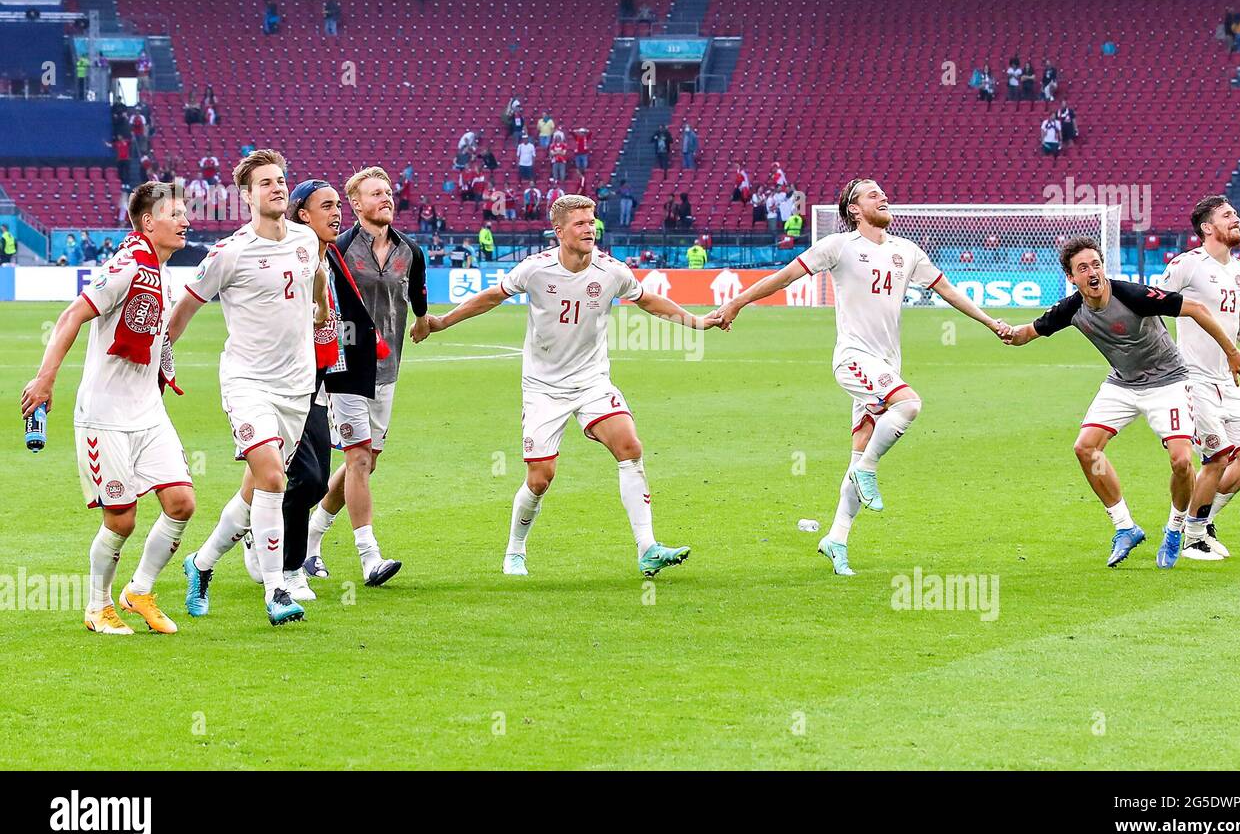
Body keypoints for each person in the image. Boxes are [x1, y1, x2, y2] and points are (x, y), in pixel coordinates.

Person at [713, 178, 1010, 577]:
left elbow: (949, 291)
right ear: (854, 209)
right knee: (909, 404)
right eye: (873, 194)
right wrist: (736, 302)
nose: (883, 197)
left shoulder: (907, 251)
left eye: (883, 192)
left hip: (886, 367)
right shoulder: (840, 247)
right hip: (853, 358)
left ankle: (836, 538)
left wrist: (991, 323)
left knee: (860, 447)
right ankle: (868, 470)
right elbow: (784, 277)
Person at [427, 195, 722, 577]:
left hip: (591, 381)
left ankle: (647, 547)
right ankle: (515, 549)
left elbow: (648, 301)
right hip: (543, 388)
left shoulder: (611, 271)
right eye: (581, 223)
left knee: (630, 446)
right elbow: (491, 298)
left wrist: (696, 322)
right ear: (560, 231)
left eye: (592, 221)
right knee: (540, 478)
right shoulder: (535, 270)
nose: (590, 229)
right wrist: (443, 322)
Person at [1001, 236, 1240, 569]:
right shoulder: (1071, 308)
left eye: (1096, 264)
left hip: (1169, 382)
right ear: (1071, 277)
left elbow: (1196, 309)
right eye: (1083, 268)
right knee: (1085, 448)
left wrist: (1232, 352)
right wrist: (1006, 331)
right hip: (1122, 383)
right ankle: (1125, 527)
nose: (1092, 272)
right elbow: (1026, 334)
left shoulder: (1133, 295)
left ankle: (1175, 530)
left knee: (1180, 461)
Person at [21, 183, 195, 635]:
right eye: (174, 214)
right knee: (122, 518)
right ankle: (98, 606)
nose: (185, 221)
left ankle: (139, 590)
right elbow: (71, 315)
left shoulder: (159, 271)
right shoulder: (125, 266)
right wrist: (45, 379)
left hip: (149, 412)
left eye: (185, 213)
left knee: (181, 503)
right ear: (147, 223)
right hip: (105, 415)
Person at [170, 149, 326, 626]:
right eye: (265, 183)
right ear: (246, 195)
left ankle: (200, 564)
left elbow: (315, 276)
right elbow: (182, 312)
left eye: (281, 180)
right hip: (247, 382)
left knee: (256, 491)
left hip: (296, 387)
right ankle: (277, 590)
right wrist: (159, 362)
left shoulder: (304, 238)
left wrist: (321, 311)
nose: (277, 187)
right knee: (275, 480)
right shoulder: (228, 254)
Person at [305, 168, 426, 586]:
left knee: (366, 462)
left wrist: (426, 323)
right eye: (376, 193)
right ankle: (368, 557)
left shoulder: (410, 251)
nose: (386, 198)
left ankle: (308, 539)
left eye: (389, 192)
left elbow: (419, 302)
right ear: (356, 204)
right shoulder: (336, 250)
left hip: (387, 371)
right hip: (346, 369)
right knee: (356, 458)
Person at [1160, 196, 1240, 560]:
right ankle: (1194, 538)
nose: (1237, 219)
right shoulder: (1187, 265)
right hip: (1193, 379)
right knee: (1217, 457)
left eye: (1235, 213)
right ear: (1207, 227)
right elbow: (1153, 307)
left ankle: (1202, 520)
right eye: (1228, 215)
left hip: (1228, 380)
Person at [279, 179, 347, 592]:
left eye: (339, 205)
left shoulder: (332, 261)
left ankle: (219, 554)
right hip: (283, 384)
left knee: (314, 480)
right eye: (328, 205)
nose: (337, 213)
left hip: (318, 385)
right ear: (303, 214)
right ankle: (288, 570)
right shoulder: (295, 260)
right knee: (300, 479)